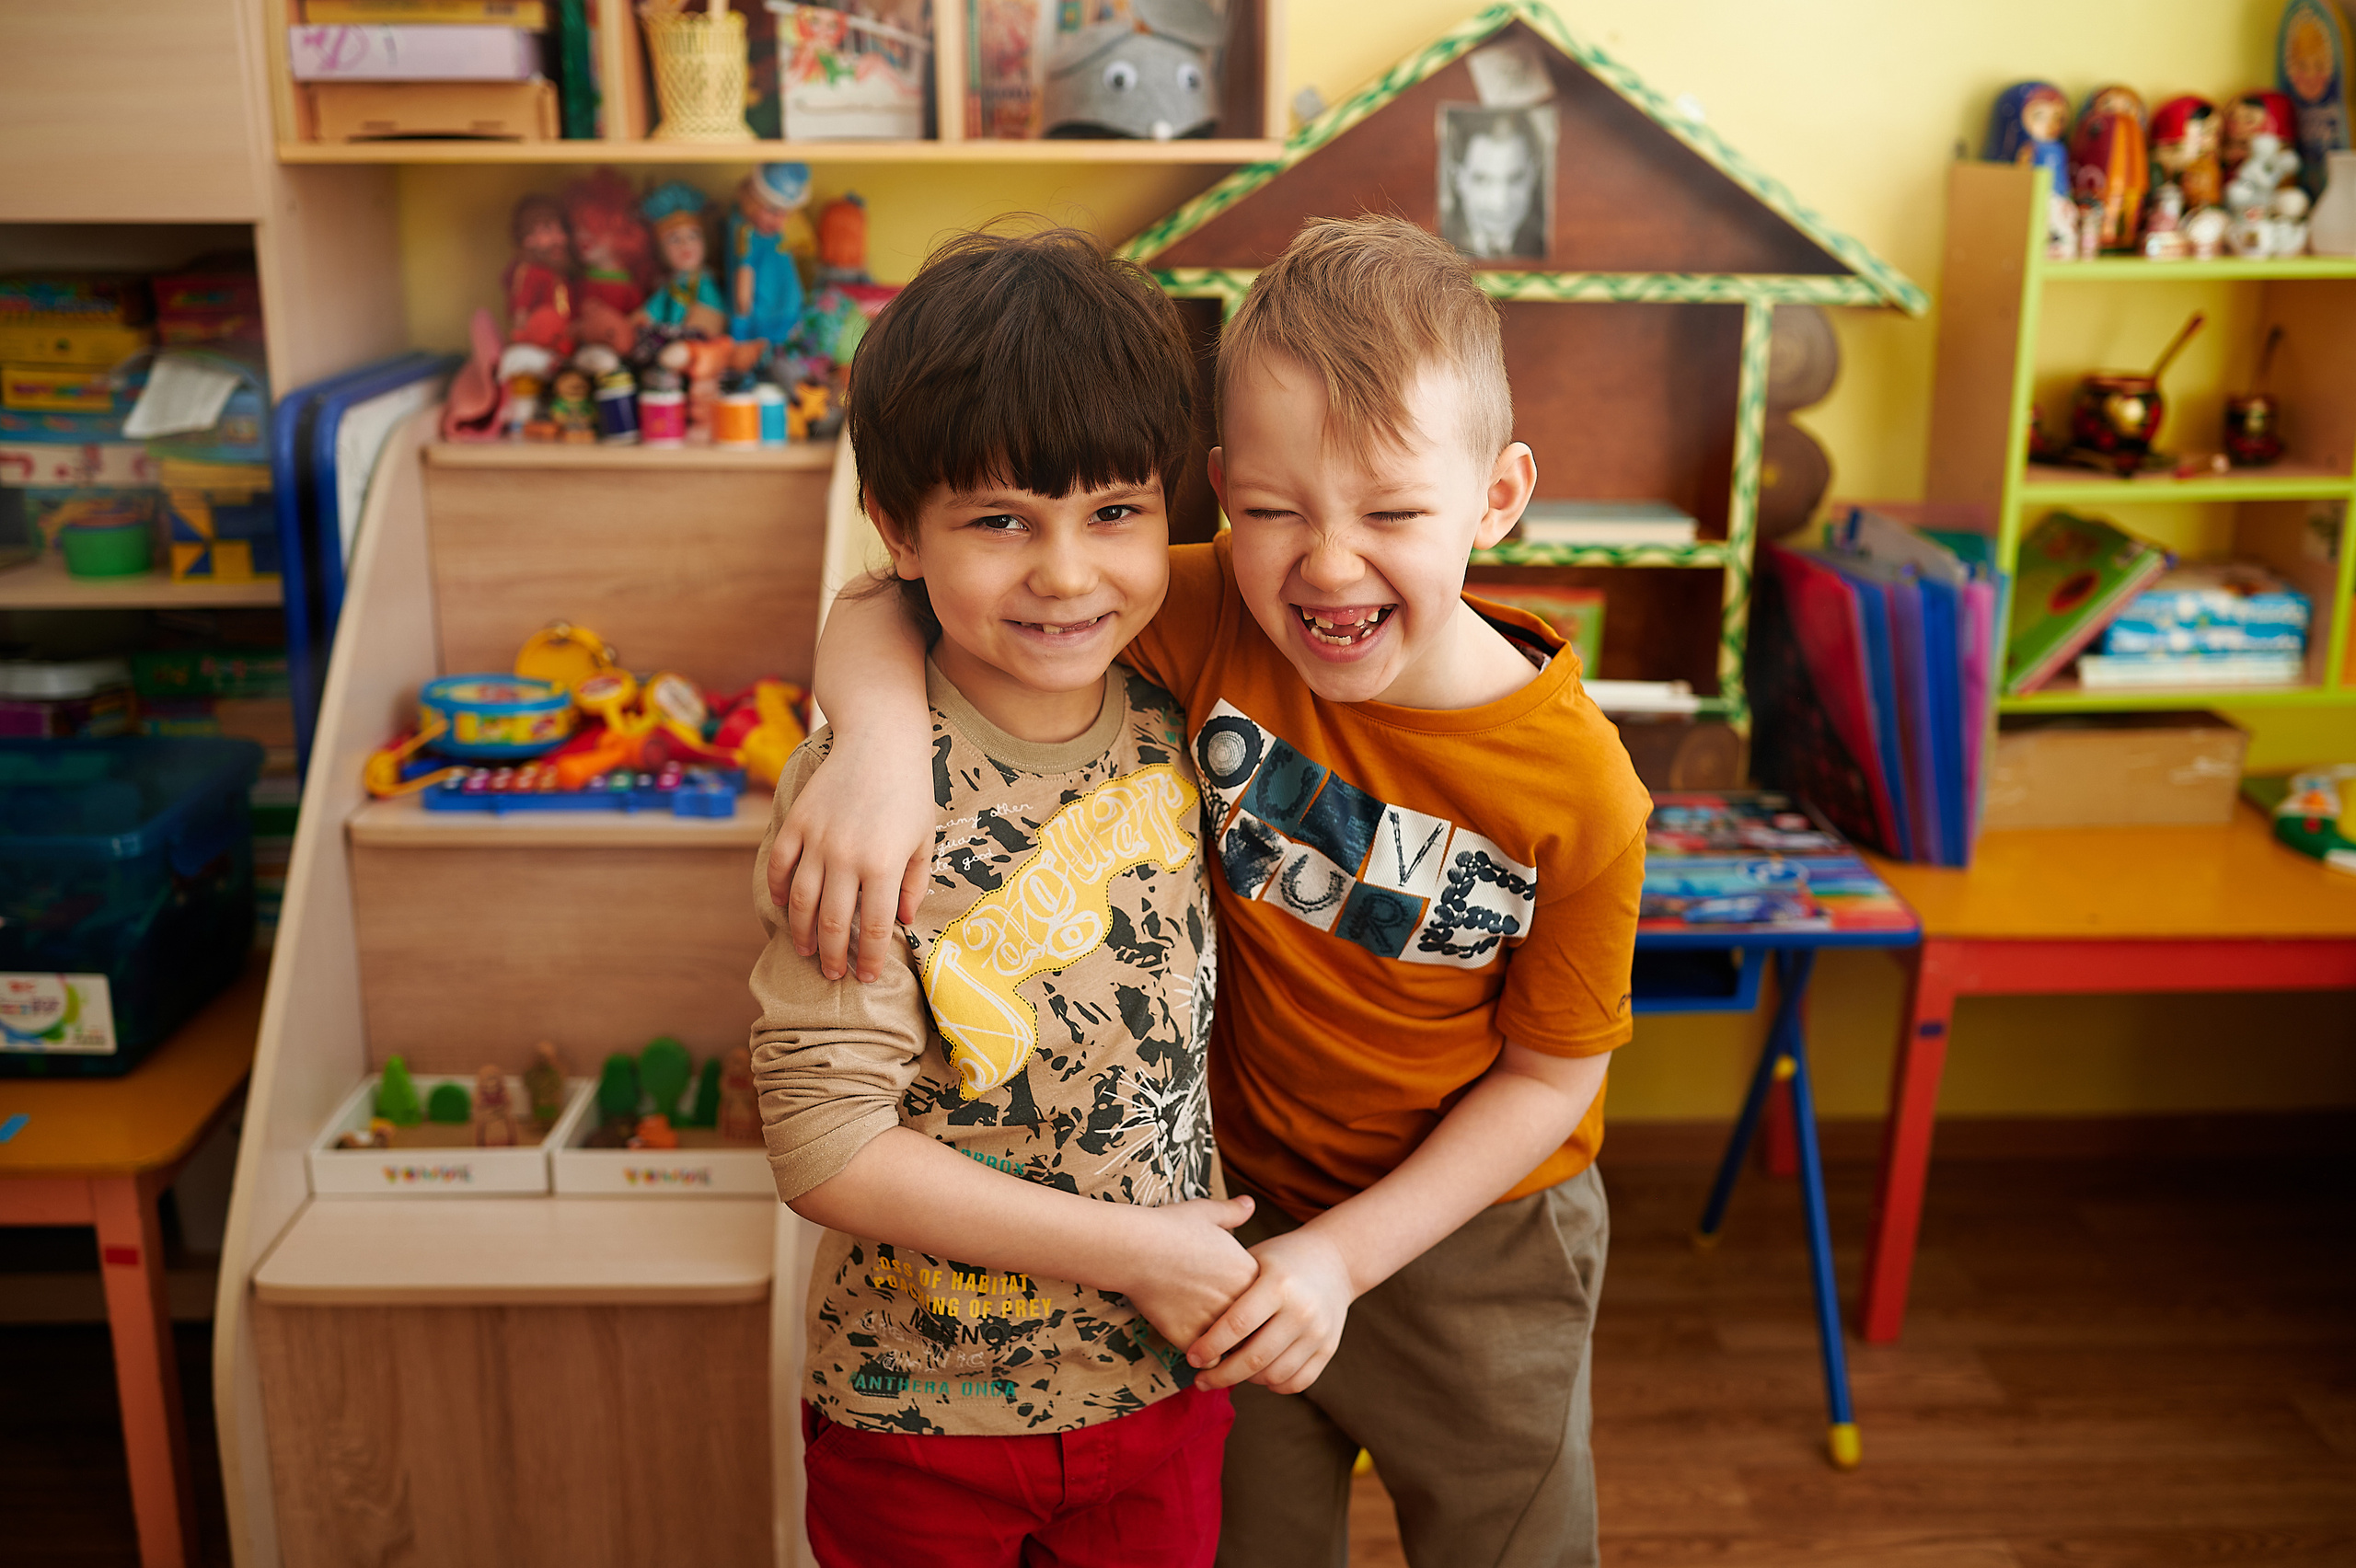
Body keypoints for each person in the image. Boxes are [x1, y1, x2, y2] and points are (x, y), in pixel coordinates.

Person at [769, 213, 1650, 1568]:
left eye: (1395, 513)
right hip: (1227, 1216)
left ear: (1499, 495)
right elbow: (899, 588)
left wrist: (1350, 1260)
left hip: (1479, 1237)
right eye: (1276, 511)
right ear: (1221, 492)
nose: (1331, 565)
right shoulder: (1194, 604)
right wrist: (879, 747)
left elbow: (1552, 1079)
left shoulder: (1581, 789)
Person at [746, 226, 1258, 1568]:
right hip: (921, 1418)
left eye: (1112, 513)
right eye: (997, 523)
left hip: (1160, 1391)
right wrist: (1136, 1253)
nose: (1067, 573)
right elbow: (825, 1144)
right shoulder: (858, 803)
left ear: (1173, 506)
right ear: (900, 530)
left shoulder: (1184, 706)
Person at [1442, 107, 1548, 260]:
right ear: (1457, 177)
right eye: (1481, 180)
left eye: (1515, 179)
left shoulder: (1542, 247)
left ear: (1533, 174)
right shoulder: (1437, 248)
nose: (1499, 203)